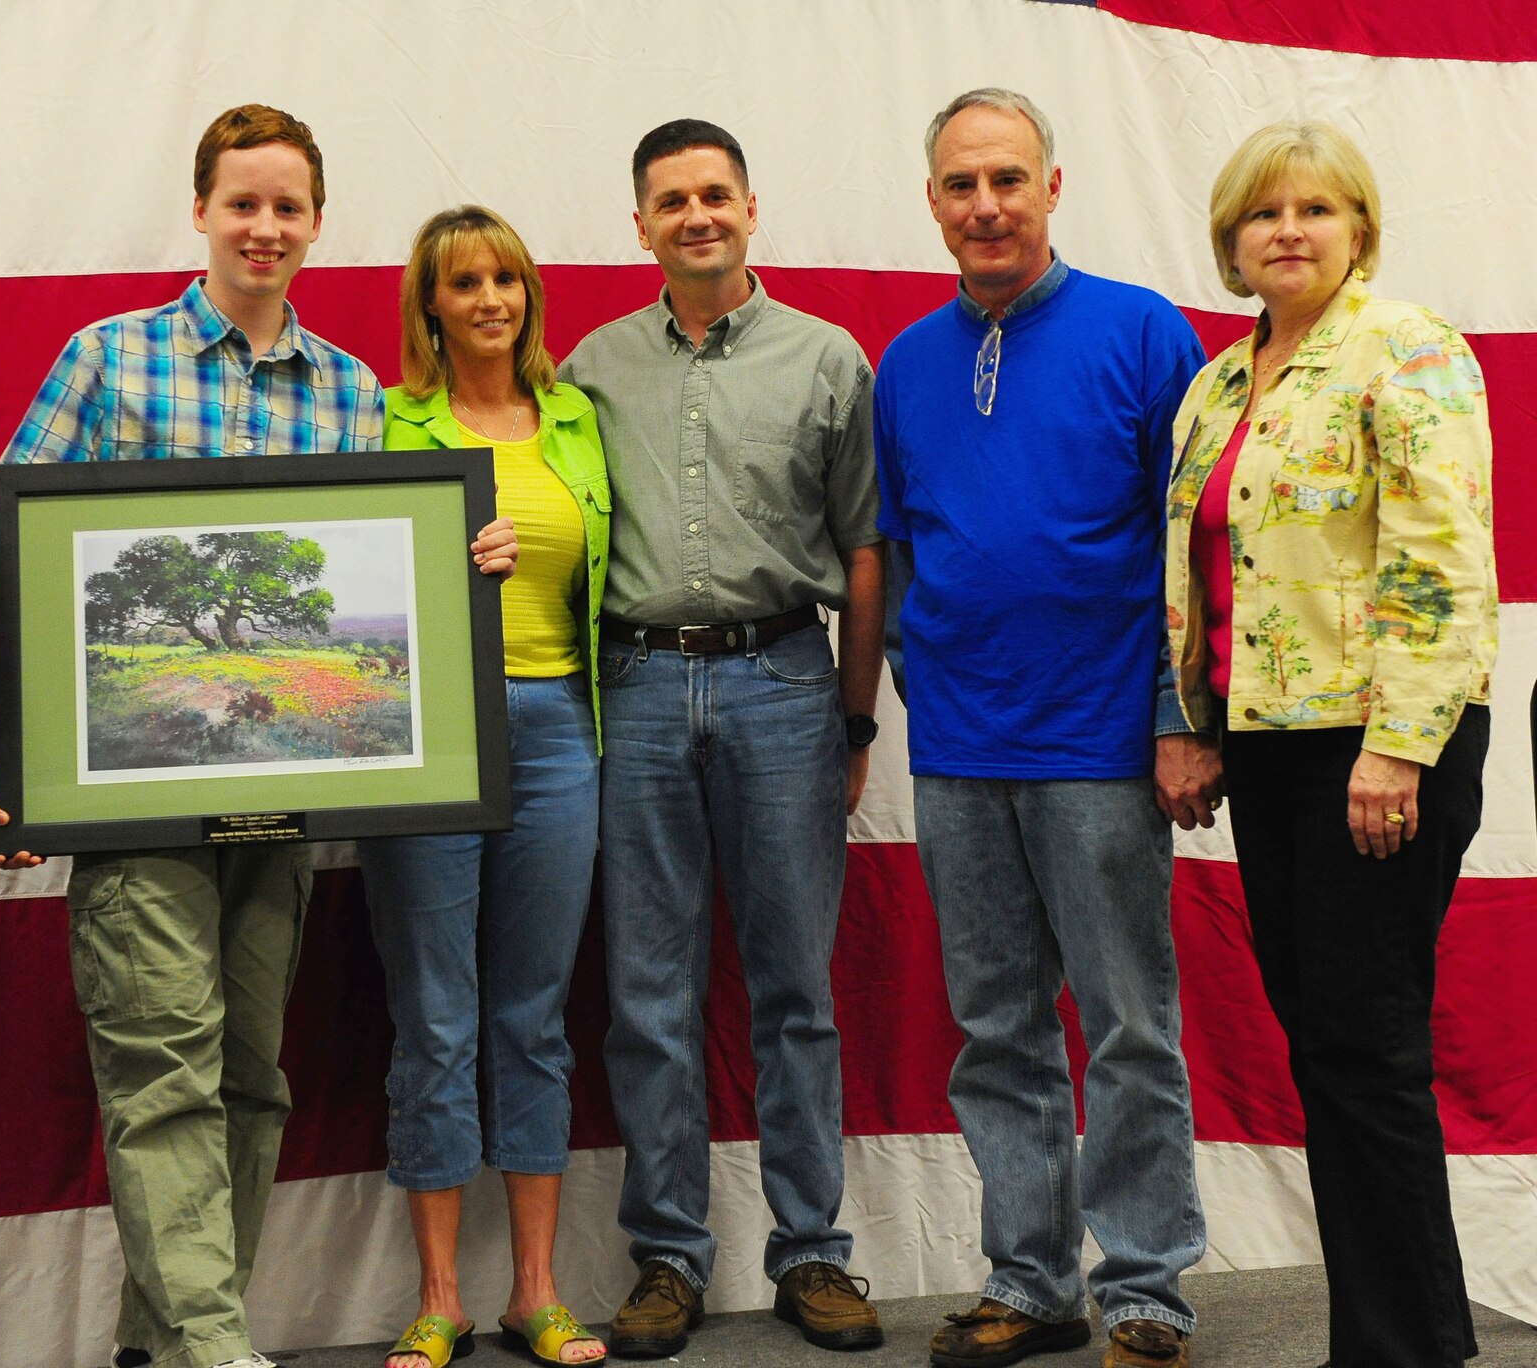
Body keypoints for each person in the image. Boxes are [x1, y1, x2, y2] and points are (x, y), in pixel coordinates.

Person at [0, 107, 514, 1368]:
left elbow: (384, 557)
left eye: (287, 208)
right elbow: (23, 560)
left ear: (316, 224)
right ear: (201, 210)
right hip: (129, 802)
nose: (264, 228)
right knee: (162, 1067)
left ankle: (161, 1344)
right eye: (243, 204)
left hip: (281, 806)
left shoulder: (349, 388)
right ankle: (215, 1347)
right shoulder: (109, 359)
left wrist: (461, 556)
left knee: (250, 1076)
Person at [873, 88, 1208, 1368]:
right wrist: (921, 677)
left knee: (1128, 1030)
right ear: (931, 202)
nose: (985, 205)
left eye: (1007, 179)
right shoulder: (906, 362)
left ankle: (1144, 1291)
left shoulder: (1142, 333)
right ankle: (1029, 1281)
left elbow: (1191, 544)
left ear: (1051, 187)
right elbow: (900, 547)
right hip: (959, 754)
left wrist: (1176, 718)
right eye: (961, 184)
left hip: (1101, 749)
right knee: (996, 1032)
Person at [1167, 121, 1497, 1368]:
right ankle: (1391, 1338)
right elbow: (1200, 575)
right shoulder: (1217, 385)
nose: (1286, 231)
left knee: (1364, 1051)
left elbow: (1439, 561)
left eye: (1313, 208)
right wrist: (1197, 729)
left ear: (1357, 227)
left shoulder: (1405, 349)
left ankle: (1406, 1351)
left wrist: (1396, 748)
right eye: (1261, 213)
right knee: (1325, 1048)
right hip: (1269, 749)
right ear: (1230, 240)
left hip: (1380, 746)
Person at [558, 119, 886, 1357]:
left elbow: (864, 550)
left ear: (750, 208)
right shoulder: (589, 369)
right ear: (638, 224)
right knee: (647, 990)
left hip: (782, 684)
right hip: (636, 687)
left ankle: (812, 1253)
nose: (694, 215)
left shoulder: (826, 360)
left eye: (713, 194)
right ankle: (666, 1257)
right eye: (670, 200)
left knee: (794, 985)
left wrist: (854, 717)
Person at [359, 205, 609, 1368]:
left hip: (560, 730)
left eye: (505, 279)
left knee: (533, 1016)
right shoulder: (385, 422)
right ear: (431, 304)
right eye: (464, 283)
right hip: (429, 736)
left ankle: (536, 1294)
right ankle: (439, 1299)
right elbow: (352, 583)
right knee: (435, 1017)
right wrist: (434, 560)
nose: (489, 300)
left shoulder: (577, 420)